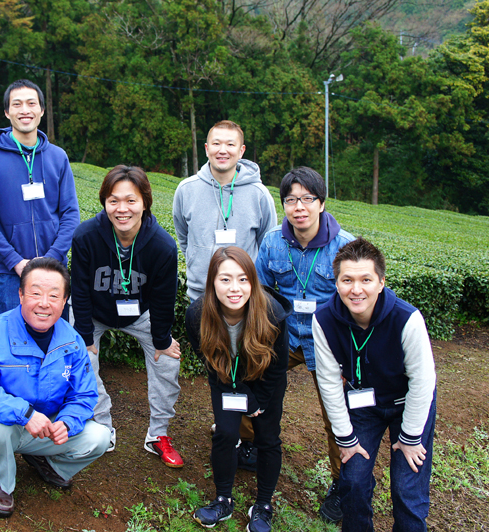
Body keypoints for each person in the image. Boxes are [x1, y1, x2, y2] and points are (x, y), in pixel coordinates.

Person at [0, 257, 111, 517]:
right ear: (20, 295)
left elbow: (85, 394)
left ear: (64, 302)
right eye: (35, 293)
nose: (44, 303)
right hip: (2, 423)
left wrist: (67, 422)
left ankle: (47, 461)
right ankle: (0, 479)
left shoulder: (72, 340)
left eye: (54, 296)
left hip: (46, 426)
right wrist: (25, 413)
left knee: (99, 437)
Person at [313, 238, 436, 532]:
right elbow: (329, 383)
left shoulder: (407, 319)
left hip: (408, 403)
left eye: (366, 279)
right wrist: (345, 438)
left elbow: (423, 381)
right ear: (337, 282)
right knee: (353, 482)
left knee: (407, 488)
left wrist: (409, 437)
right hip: (363, 406)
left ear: (381, 282)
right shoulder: (324, 320)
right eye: (347, 280)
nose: (356, 289)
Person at [255, 166, 354, 522]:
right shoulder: (272, 243)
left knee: (338, 417)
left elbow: (360, 305)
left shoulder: (345, 247)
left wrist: (351, 358)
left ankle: (345, 486)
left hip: (329, 344)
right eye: (291, 199)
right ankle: (249, 444)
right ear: (283, 205)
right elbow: (260, 293)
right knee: (255, 386)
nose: (299, 207)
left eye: (307, 199)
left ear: (321, 203)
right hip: (286, 336)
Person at [70, 165, 183, 467]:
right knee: (79, 357)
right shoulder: (86, 236)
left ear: (145, 202)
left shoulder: (162, 246)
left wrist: (162, 339)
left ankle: (158, 434)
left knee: (168, 358)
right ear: (104, 202)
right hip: (94, 313)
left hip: (140, 314)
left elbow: (164, 299)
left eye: (131, 200)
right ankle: (101, 426)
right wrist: (83, 335)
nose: (122, 209)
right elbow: (78, 289)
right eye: (114, 200)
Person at [186, 247, 292, 532]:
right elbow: (208, 359)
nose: (235, 288)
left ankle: (263, 505)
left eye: (243, 279)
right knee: (225, 433)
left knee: (268, 438)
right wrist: (236, 391)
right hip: (225, 378)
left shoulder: (273, 314)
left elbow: (278, 368)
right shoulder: (196, 315)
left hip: (265, 379)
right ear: (212, 283)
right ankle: (223, 500)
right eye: (225, 280)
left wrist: (258, 400)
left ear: (253, 282)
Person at [0, 79, 79, 314]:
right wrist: (15, 261)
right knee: (15, 341)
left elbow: (70, 213)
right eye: (17, 104)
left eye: (31, 103)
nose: (25, 110)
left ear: (41, 110)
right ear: (7, 112)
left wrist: (51, 259)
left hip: (54, 270)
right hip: (11, 272)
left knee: (58, 338)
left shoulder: (58, 157)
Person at [173, 120, 277, 302]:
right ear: (206, 148)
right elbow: (184, 237)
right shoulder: (186, 190)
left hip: (244, 296)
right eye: (216, 143)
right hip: (200, 293)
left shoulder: (259, 194)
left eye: (230, 144)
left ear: (241, 150)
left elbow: (266, 244)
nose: (223, 150)